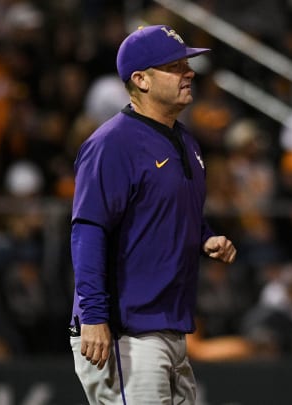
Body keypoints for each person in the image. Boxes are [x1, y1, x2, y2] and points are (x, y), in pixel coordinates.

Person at [68, 25, 236, 405]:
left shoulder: (185, 139)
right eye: (175, 66)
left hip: (168, 326)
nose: (188, 72)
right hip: (126, 329)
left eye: (186, 64)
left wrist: (205, 235)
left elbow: (167, 211)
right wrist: (94, 316)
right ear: (141, 80)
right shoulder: (112, 143)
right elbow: (88, 231)